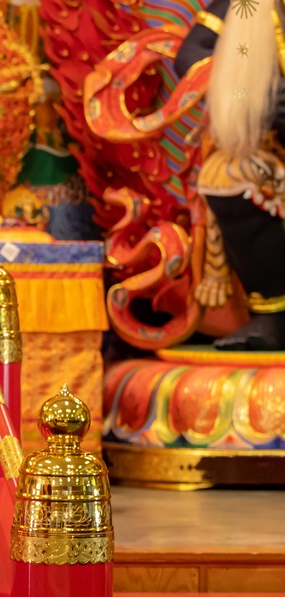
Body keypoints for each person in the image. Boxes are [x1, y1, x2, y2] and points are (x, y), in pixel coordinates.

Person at [176, 0, 285, 349]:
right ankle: (273, 313)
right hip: (274, 153)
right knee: (227, 174)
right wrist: (251, 96)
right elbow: (191, 56)